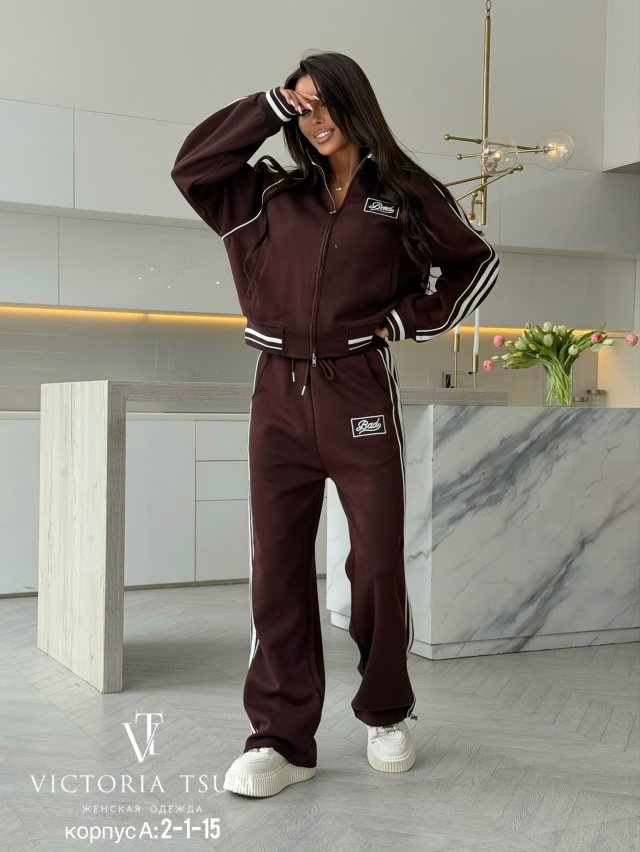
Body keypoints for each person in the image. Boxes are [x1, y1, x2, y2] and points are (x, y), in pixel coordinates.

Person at [171, 50, 500, 798]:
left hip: (358, 394)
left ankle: (386, 712)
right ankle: (281, 739)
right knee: (277, 571)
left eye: (325, 103)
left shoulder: (405, 192)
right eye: (302, 105)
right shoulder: (265, 193)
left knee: (376, 564)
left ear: (356, 104)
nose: (314, 119)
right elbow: (191, 165)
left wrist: (407, 318)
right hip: (277, 396)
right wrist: (268, 106)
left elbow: (475, 263)